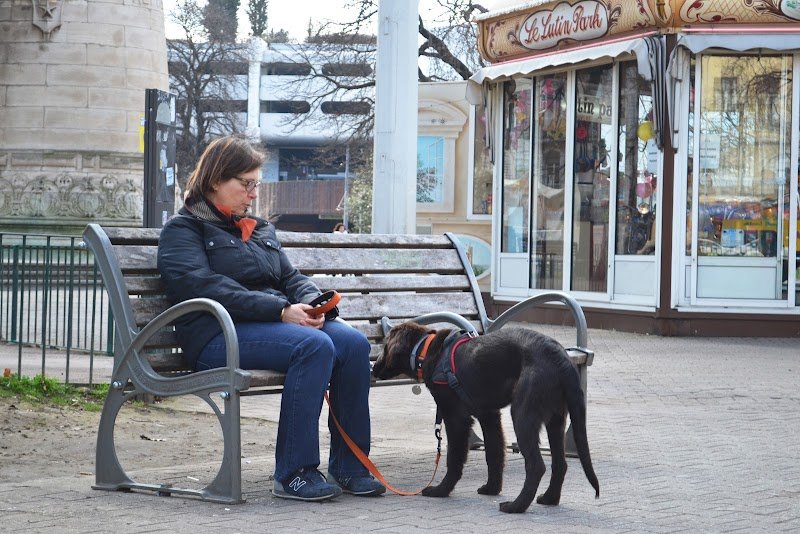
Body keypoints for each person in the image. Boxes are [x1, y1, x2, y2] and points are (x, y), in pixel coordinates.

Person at [157, 135, 384, 502]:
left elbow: (289, 277)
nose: (253, 194)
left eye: (256, 184)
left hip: (269, 327)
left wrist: (313, 302)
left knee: (353, 344)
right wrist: (279, 310)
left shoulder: (260, 229)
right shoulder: (184, 230)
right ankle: (294, 473)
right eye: (246, 184)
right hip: (217, 337)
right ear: (216, 180)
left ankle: (351, 466)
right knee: (312, 346)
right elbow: (205, 287)